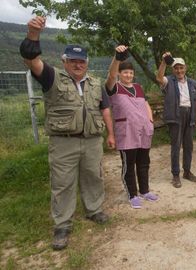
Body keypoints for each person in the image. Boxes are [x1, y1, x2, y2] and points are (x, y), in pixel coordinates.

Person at [19, 16, 115, 250]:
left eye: (81, 61)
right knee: (62, 183)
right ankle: (62, 224)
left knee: (94, 176)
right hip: (64, 142)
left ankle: (94, 210)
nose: (77, 64)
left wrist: (110, 134)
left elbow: (105, 108)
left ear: (87, 63)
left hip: (92, 141)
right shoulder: (51, 77)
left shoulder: (95, 83)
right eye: (72, 60)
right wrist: (33, 34)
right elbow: (32, 60)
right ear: (64, 61)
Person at [105, 45, 158, 209]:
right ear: (120, 74)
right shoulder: (114, 87)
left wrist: (150, 122)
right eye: (125, 72)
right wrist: (117, 58)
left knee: (144, 163)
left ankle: (144, 190)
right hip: (126, 132)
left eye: (130, 72)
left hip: (143, 132)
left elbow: (146, 104)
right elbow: (111, 75)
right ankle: (132, 194)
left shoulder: (139, 88)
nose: (128, 75)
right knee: (129, 165)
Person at [156, 52, 196, 188]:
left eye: (181, 67)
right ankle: (176, 175)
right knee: (176, 146)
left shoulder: (193, 83)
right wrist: (164, 61)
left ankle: (187, 172)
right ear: (173, 69)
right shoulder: (168, 80)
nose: (179, 70)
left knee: (189, 145)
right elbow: (159, 77)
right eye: (176, 68)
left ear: (185, 68)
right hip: (176, 115)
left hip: (190, 114)